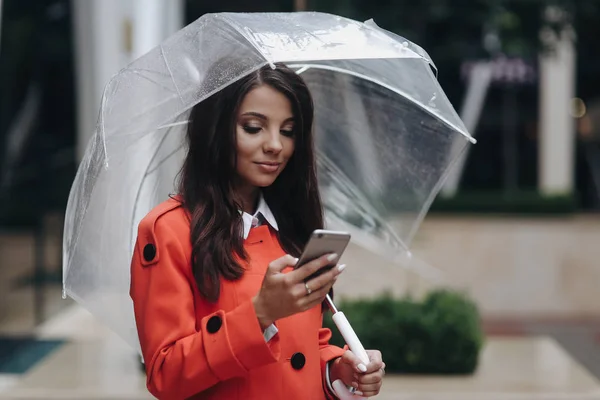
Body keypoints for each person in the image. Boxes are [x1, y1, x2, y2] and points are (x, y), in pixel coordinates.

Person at [129, 63, 385, 400]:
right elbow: (166, 374)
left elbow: (306, 349)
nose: (276, 145)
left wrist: (337, 370)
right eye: (254, 128)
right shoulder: (169, 232)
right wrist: (259, 313)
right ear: (215, 129)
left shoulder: (292, 228)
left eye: (289, 130)